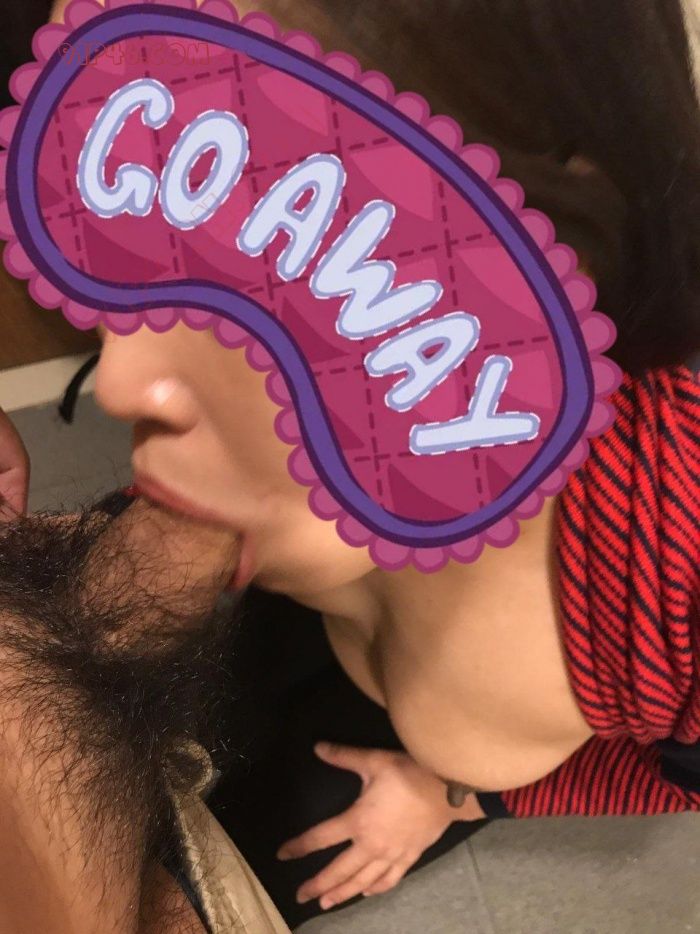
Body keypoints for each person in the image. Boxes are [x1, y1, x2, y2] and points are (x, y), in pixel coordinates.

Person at [5, 0, 700, 928]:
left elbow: (687, 777)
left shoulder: (668, 551)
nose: (123, 383)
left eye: (299, 238)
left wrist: (458, 797)